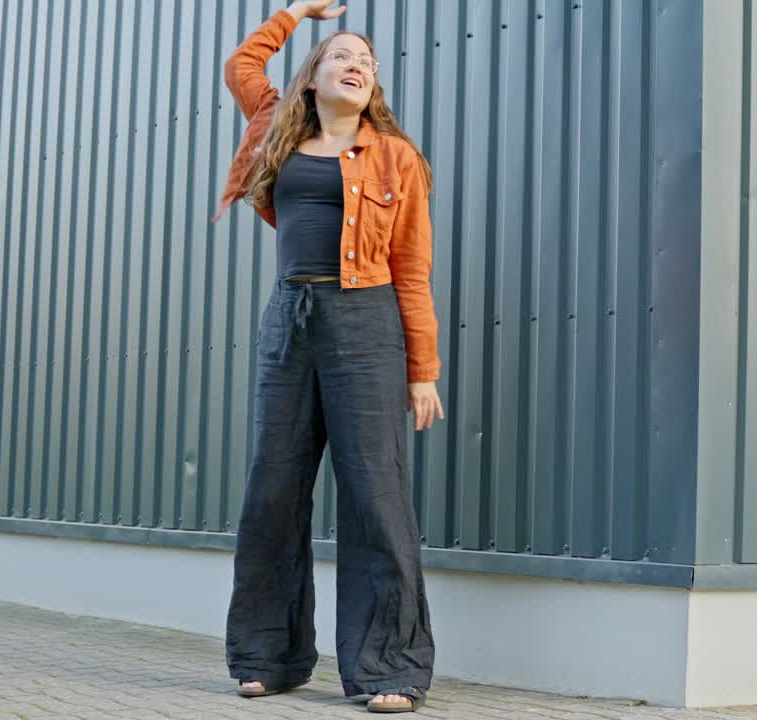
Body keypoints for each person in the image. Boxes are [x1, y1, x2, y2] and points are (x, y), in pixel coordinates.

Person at [211, 0, 445, 713]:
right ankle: (269, 657)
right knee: (272, 488)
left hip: (367, 323)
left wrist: (423, 369)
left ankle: (389, 669)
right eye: (344, 55)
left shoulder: (396, 157)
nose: (358, 65)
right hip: (290, 316)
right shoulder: (276, 126)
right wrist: (293, 13)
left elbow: (411, 267)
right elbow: (240, 66)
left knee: (374, 493)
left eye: (368, 62)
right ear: (314, 75)